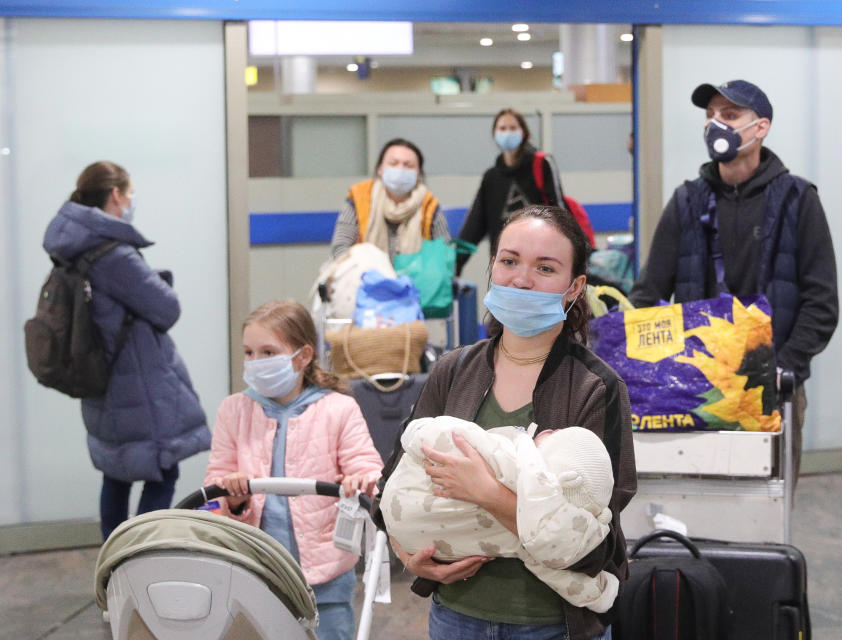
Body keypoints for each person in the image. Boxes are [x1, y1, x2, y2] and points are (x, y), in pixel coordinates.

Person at [374, 205, 637, 640]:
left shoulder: (597, 388)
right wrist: (408, 555)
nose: (521, 279)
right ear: (492, 266)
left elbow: (597, 546)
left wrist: (488, 493)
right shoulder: (453, 371)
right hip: (456, 617)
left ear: (574, 287)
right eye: (509, 261)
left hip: (553, 626)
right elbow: (392, 484)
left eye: (545, 268)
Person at [627, 79, 839, 486]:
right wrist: (632, 360)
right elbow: (648, 293)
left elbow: (822, 302)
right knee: (699, 504)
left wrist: (783, 366)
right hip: (697, 389)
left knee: (767, 509)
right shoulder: (687, 202)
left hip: (772, 390)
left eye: (728, 115)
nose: (714, 125)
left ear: (760, 127)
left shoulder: (799, 201)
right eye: (709, 116)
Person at [41, 161, 210, 540]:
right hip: (138, 385)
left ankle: (112, 560)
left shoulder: (74, 248)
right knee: (163, 469)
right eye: (129, 193)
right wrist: (158, 280)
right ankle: (134, 558)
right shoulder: (114, 255)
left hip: (102, 379)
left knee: (116, 474)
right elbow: (167, 308)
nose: (132, 201)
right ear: (116, 195)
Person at [205, 300, 383, 640]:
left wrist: (361, 479)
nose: (255, 363)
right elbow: (214, 487)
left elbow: (368, 468)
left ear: (302, 357)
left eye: (268, 351)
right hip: (255, 568)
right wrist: (236, 499)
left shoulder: (339, 409)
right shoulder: (234, 410)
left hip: (326, 573)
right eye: (249, 353)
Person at [382, 417, 619, 613]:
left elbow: (438, 434)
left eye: (558, 434)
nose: (554, 429)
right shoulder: (543, 539)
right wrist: (601, 593)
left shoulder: (506, 455)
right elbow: (566, 561)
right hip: (456, 608)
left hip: (549, 625)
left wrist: (489, 494)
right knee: (527, 547)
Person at [455, 109, 568, 274]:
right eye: (502, 128)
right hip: (505, 263)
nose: (507, 133)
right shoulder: (491, 177)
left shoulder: (542, 164)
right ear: (494, 134)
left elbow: (560, 213)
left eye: (513, 128)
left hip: (540, 261)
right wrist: (455, 264)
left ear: (524, 133)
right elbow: (474, 225)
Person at [330, 138, 450, 260]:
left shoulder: (429, 204)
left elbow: (445, 252)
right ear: (380, 169)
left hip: (416, 277)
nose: (400, 169)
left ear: (418, 173)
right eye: (393, 163)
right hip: (363, 275)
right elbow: (340, 247)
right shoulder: (359, 197)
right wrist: (362, 270)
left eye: (408, 165)